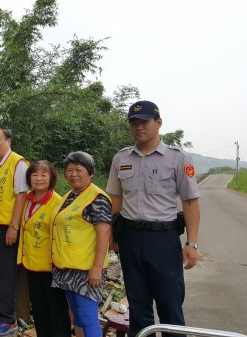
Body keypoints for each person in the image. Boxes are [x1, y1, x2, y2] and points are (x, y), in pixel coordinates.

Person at [106, 100, 200, 337]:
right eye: (133, 122)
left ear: (158, 123)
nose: (138, 127)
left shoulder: (178, 158)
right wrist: (112, 234)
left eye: (144, 121)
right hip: (130, 239)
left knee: (170, 307)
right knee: (138, 308)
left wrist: (191, 243)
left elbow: (190, 201)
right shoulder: (121, 158)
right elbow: (115, 199)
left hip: (163, 241)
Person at [51, 151, 112, 337]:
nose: (73, 174)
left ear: (90, 173)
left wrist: (96, 268)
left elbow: (104, 234)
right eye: (69, 170)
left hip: (87, 270)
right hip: (68, 268)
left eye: (79, 170)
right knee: (76, 316)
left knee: (87, 316)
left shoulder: (97, 198)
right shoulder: (69, 196)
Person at [0, 125, 29, 336]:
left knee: (5, 274)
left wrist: (13, 226)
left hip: (8, 228)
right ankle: (1, 314)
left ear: (9, 141)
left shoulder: (18, 164)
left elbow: (21, 196)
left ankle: (9, 318)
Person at [17, 161, 71, 337]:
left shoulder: (58, 202)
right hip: (31, 263)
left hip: (51, 266)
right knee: (39, 308)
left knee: (56, 309)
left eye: (43, 175)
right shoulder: (26, 199)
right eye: (34, 175)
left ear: (51, 178)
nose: (38, 179)